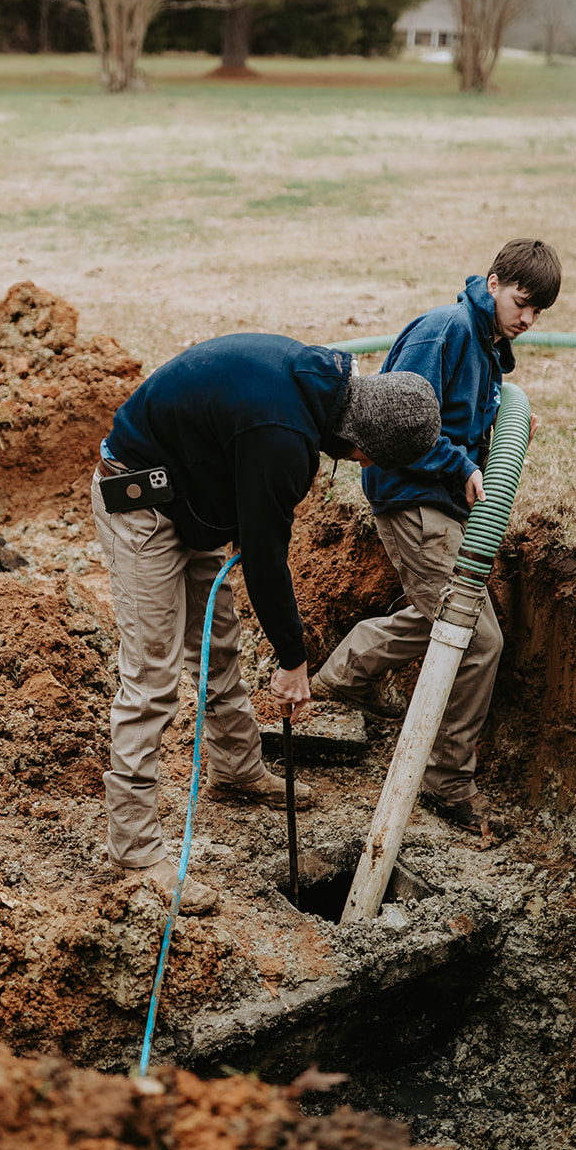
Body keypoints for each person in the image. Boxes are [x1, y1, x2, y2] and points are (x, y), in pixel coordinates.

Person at [92, 332, 440, 915]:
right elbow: (263, 557)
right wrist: (292, 658)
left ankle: (236, 769)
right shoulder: (283, 438)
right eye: (371, 459)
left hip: (190, 494)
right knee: (153, 676)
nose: (366, 468)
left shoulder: (322, 382)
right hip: (140, 501)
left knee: (217, 644)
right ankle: (134, 848)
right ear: (358, 437)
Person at [309, 238, 562, 840]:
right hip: (413, 500)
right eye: (520, 303)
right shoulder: (445, 330)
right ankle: (447, 780)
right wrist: (462, 466)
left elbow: (464, 416)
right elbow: (395, 420)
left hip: (441, 503)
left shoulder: (488, 341)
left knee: (441, 616)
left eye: (537, 312)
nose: (526, 320)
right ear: (495, 282)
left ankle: (340, 679)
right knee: (475, 638)